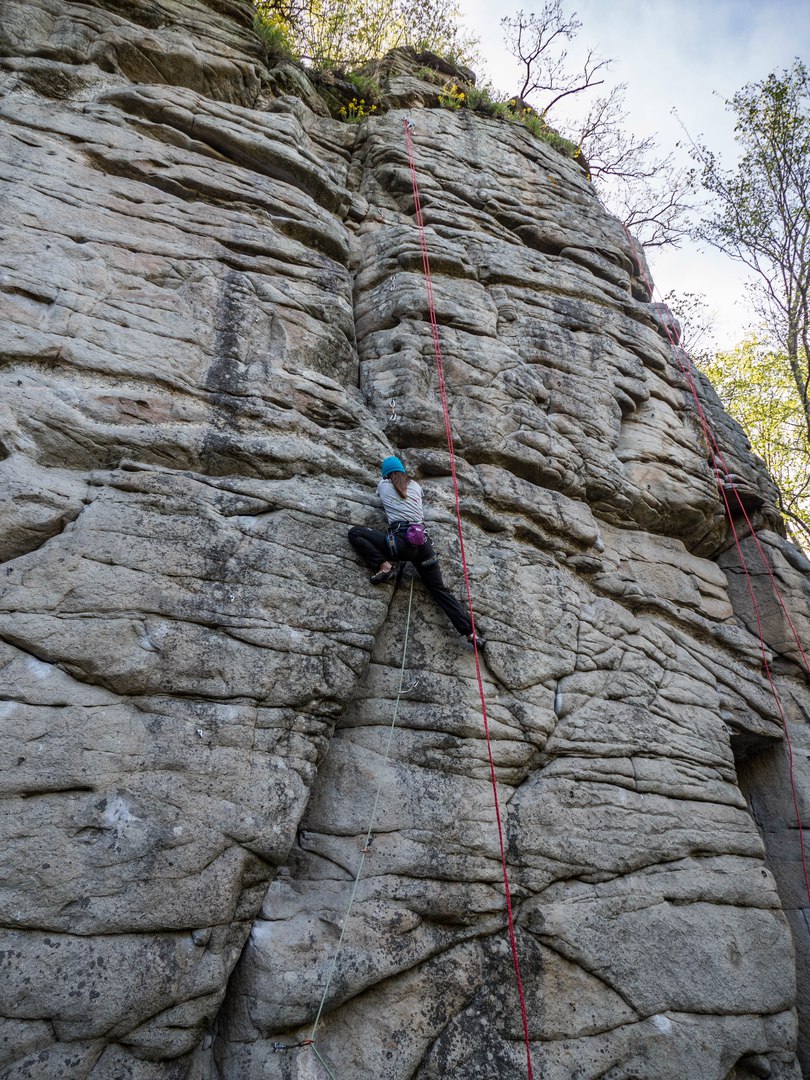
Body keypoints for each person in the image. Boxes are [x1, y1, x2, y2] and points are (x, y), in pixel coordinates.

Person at [348, 456, 484, 648]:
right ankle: (471, 635)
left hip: (401, 545)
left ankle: (385, 566)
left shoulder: (383, 485)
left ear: (385, 474)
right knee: (440, 591)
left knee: (355, 533)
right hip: (423, 545)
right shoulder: (416, 486)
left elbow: (383, 497)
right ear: (403, 471)